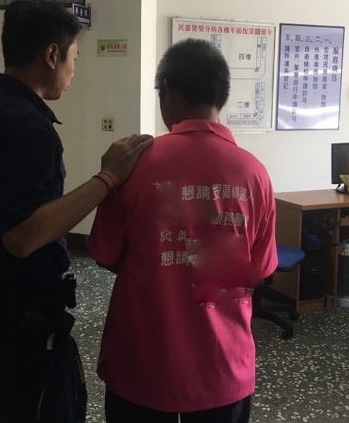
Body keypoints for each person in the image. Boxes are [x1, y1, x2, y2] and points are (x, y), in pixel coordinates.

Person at [0, 0, 152, 423]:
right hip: (15, 313)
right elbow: (22, 237)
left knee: (9, 406)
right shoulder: (28, 127)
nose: (74, 72)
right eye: (74, 59)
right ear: (52, 54)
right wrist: (108, 178)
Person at [89, 38, 278, 423]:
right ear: (221, 95)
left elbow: (105, 254)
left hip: (143, 365)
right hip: (222, 366)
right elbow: (260, 268)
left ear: (169, 91)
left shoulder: (132, 165)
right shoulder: (254, 172)